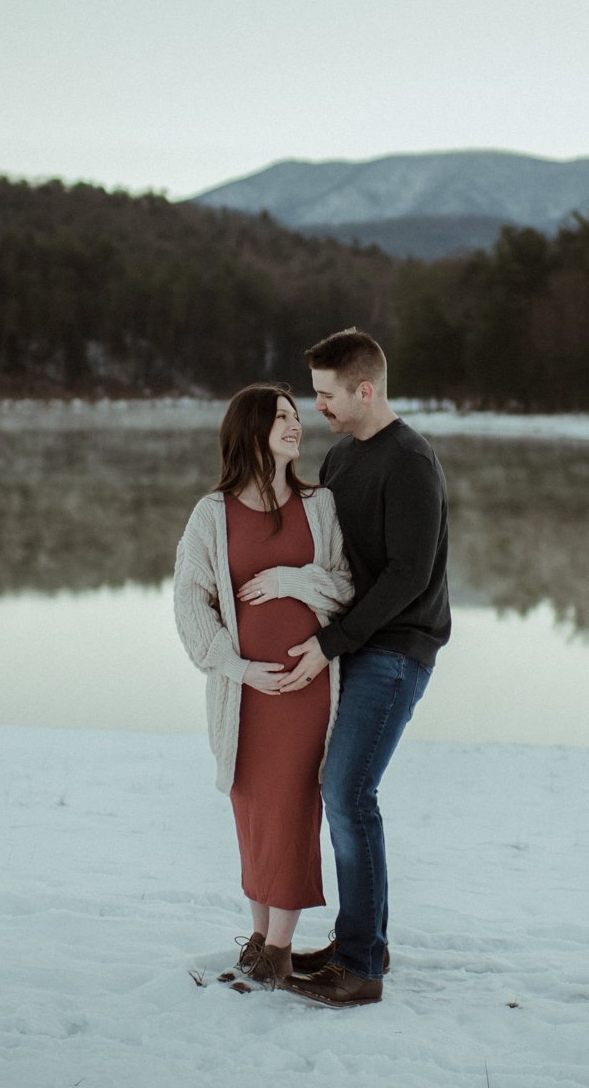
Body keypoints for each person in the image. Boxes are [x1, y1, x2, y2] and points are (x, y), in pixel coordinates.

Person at [279, 327, 450, 1008]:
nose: (317, 404)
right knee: (340, 790)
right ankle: (361, 942)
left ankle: (361, 968)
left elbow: (408, 575)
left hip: (396, 649)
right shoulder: (344, 456)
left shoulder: (410, 461)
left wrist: (332, 640)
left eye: (325, 393)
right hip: (358, 645)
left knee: (349, 793)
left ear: (364, 389)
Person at [173, 382, 353, 988]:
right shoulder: (212, 516)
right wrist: (236, 667)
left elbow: (345, 587)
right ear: (251, 430)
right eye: (280, 417)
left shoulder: (321, 506)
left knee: (292, 811)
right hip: (243, 694)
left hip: (306, 689)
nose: (295, 424)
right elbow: (190, 603)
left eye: (296, 416)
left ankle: (278, 949)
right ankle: (258, 937)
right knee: (251, 810)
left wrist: (292, 581)